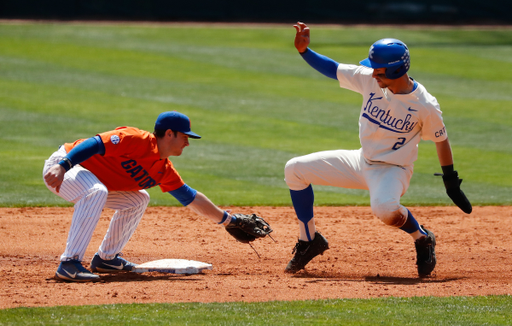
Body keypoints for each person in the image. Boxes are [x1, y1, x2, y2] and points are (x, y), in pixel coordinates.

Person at [284, 22, 472, 277]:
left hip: (393, 170)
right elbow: (334, 69)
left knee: (385, 210)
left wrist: (450, 181)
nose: (373, 74)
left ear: (396, 70)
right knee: (295, 169)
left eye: (379, 71)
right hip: (361, 161)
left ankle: (423, 237)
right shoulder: (371, 80)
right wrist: (305, 52)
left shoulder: (424, 105)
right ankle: (309, 241)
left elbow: (441, 139)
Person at [43, 111, 270, 282]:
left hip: (88, 177)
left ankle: (106, 259)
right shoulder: (136, 139)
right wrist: (63, 166)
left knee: (138, 199)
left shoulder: (163, 169)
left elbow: (191, 197)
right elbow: (95, 143)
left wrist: (230, 220)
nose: (188, 142)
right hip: (65, 169)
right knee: (96, 192)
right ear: (169, 134)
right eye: (185, 136)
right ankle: (69, 263)